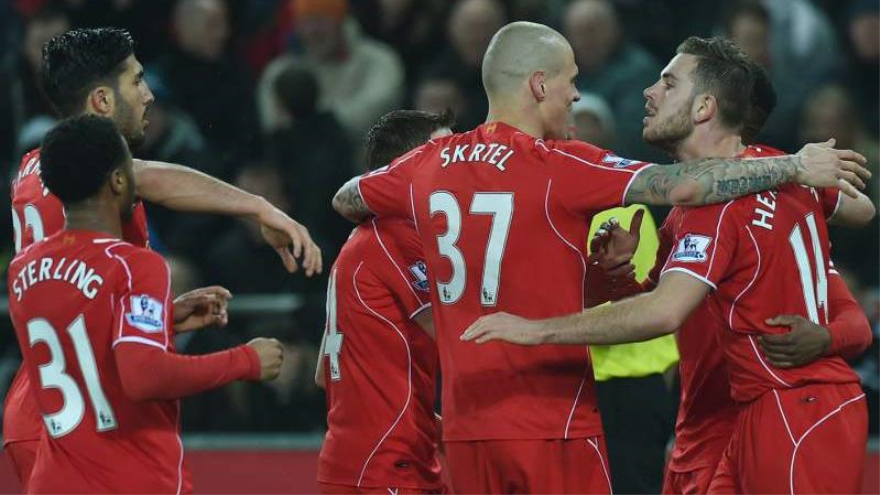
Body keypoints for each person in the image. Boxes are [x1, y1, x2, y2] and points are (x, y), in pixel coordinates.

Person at [331, 22, 869, 494]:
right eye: (570, 80)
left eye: (668, 81)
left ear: (705, 107)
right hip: (567, 419)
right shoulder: (562, 165)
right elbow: (690, 192)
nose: (578, 95)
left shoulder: (430, 161)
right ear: (540, 84)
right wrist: (795, 167)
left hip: (474, 423)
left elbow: (348, 196)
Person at [3, 27, 321, 489]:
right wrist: (259, 207)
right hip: (83, 418)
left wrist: (159, 322)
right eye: (135, 81)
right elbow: (155, 178)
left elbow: (78, 307)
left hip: (55, 401)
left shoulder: (37, 166)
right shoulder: (92, 178)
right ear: (102, 101)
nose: (149, 95)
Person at [8, 114, 284, 495]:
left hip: (54, 480)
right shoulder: (135, 264)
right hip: (131, 478)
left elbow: (82, 341)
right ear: (120, 180)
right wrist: (246, 360)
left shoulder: (24, 270)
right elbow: (144, 376)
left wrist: (163, 319)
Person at [317, 110, 454, 495]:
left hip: (381, 457)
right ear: (407, 169)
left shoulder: (363, 240)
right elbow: (453, 339)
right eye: (443, 154)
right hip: (386, 466)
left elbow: (325, 371)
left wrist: (427, 424)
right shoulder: (396, 236)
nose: (456, 164)